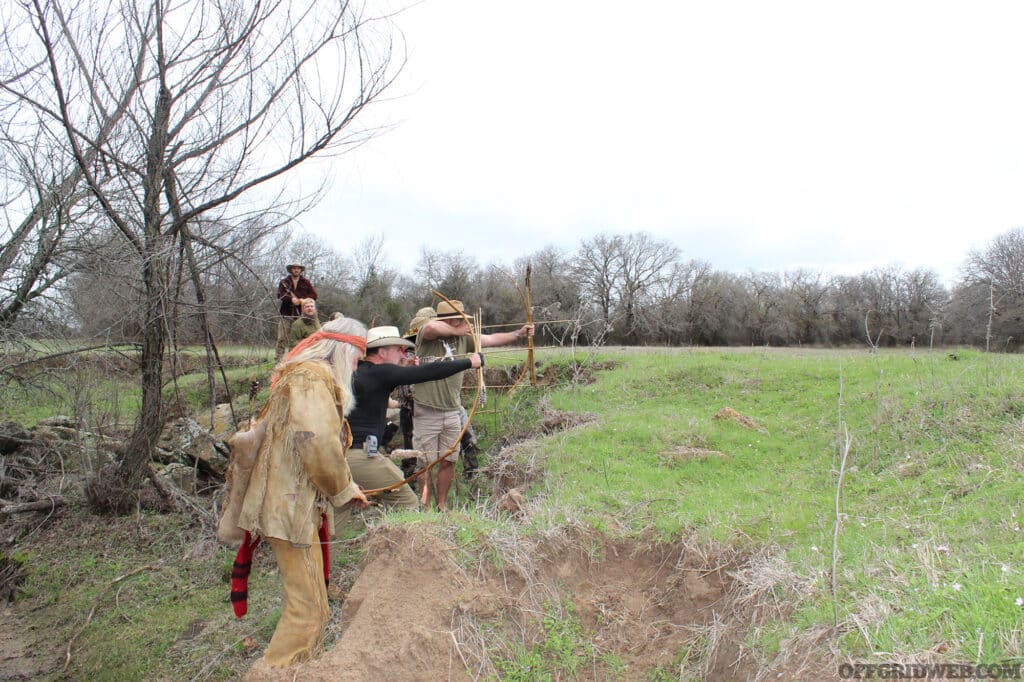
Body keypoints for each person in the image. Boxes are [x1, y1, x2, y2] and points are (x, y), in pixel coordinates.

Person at [236, 316, 368, 668]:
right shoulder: (311, 377)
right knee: (306, 611)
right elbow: (318, 444)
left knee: (313, 604)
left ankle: (299, 670)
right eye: (357, 357)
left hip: (290, 503)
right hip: (289, 507)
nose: (357, 366)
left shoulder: (304, 374)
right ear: (343, 350)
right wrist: (343, 489)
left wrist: (344, 486)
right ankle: (274, 671)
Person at [346, 325, 483, 510]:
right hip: (359, 455)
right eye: (398, 349)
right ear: (382, 352)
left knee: (342, 508)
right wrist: (469, 362)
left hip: (344, 455)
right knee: (408, 502)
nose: (403, 355)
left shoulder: (361, 371)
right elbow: (427, 372)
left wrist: (401, 368)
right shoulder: (379, 373)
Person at [414, 300, 533, 511]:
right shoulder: (427, 336)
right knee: (425, 463)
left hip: (451, 411)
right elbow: (432, 327)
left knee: (449, 461)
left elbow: (490, 338)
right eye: (458, 319)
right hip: (427, 410)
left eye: (463, 320)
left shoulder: (463, 339)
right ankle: (425, 508)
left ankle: (442, 505)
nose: (463, 323)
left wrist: (518, 334)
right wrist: (456, 329)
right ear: (448, 319)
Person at [275, 263, 318, 360]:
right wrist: (291, 299)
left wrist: (304, 300)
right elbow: (280, 295)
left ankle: (294, 360)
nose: (296, 270)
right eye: (294, 268)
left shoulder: (306, 282)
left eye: (298, 268)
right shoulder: (284, 282)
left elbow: (314, 295)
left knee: (296, 340)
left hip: (300, 317)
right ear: (291, 270)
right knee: (281, 339)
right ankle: (278, 362)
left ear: (301, 270)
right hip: (286, 315)